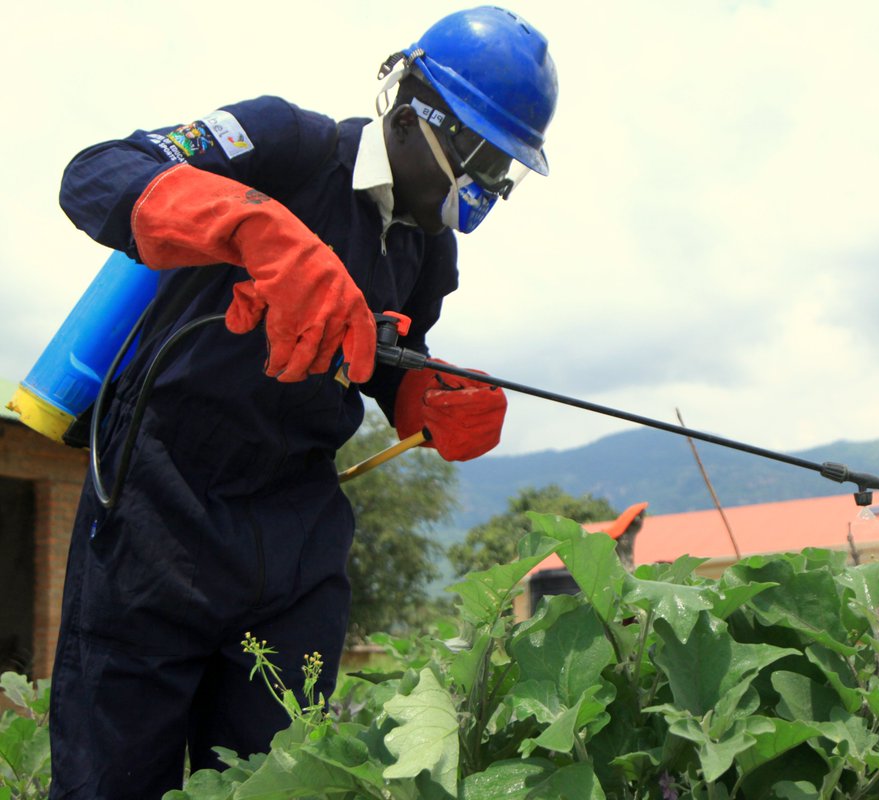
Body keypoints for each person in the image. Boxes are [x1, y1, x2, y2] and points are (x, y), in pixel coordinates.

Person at [48, 7, 558, 798]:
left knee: (284, 779)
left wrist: (422, 392)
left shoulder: (427, 249)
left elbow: (387, 353)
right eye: (483, 159)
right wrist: (254, 228)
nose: (487, 188)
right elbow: (95, 174)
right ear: (411, 112)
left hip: (295, 535)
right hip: (159, 504)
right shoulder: (284, 145)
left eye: (506, 173)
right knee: (112, 782)